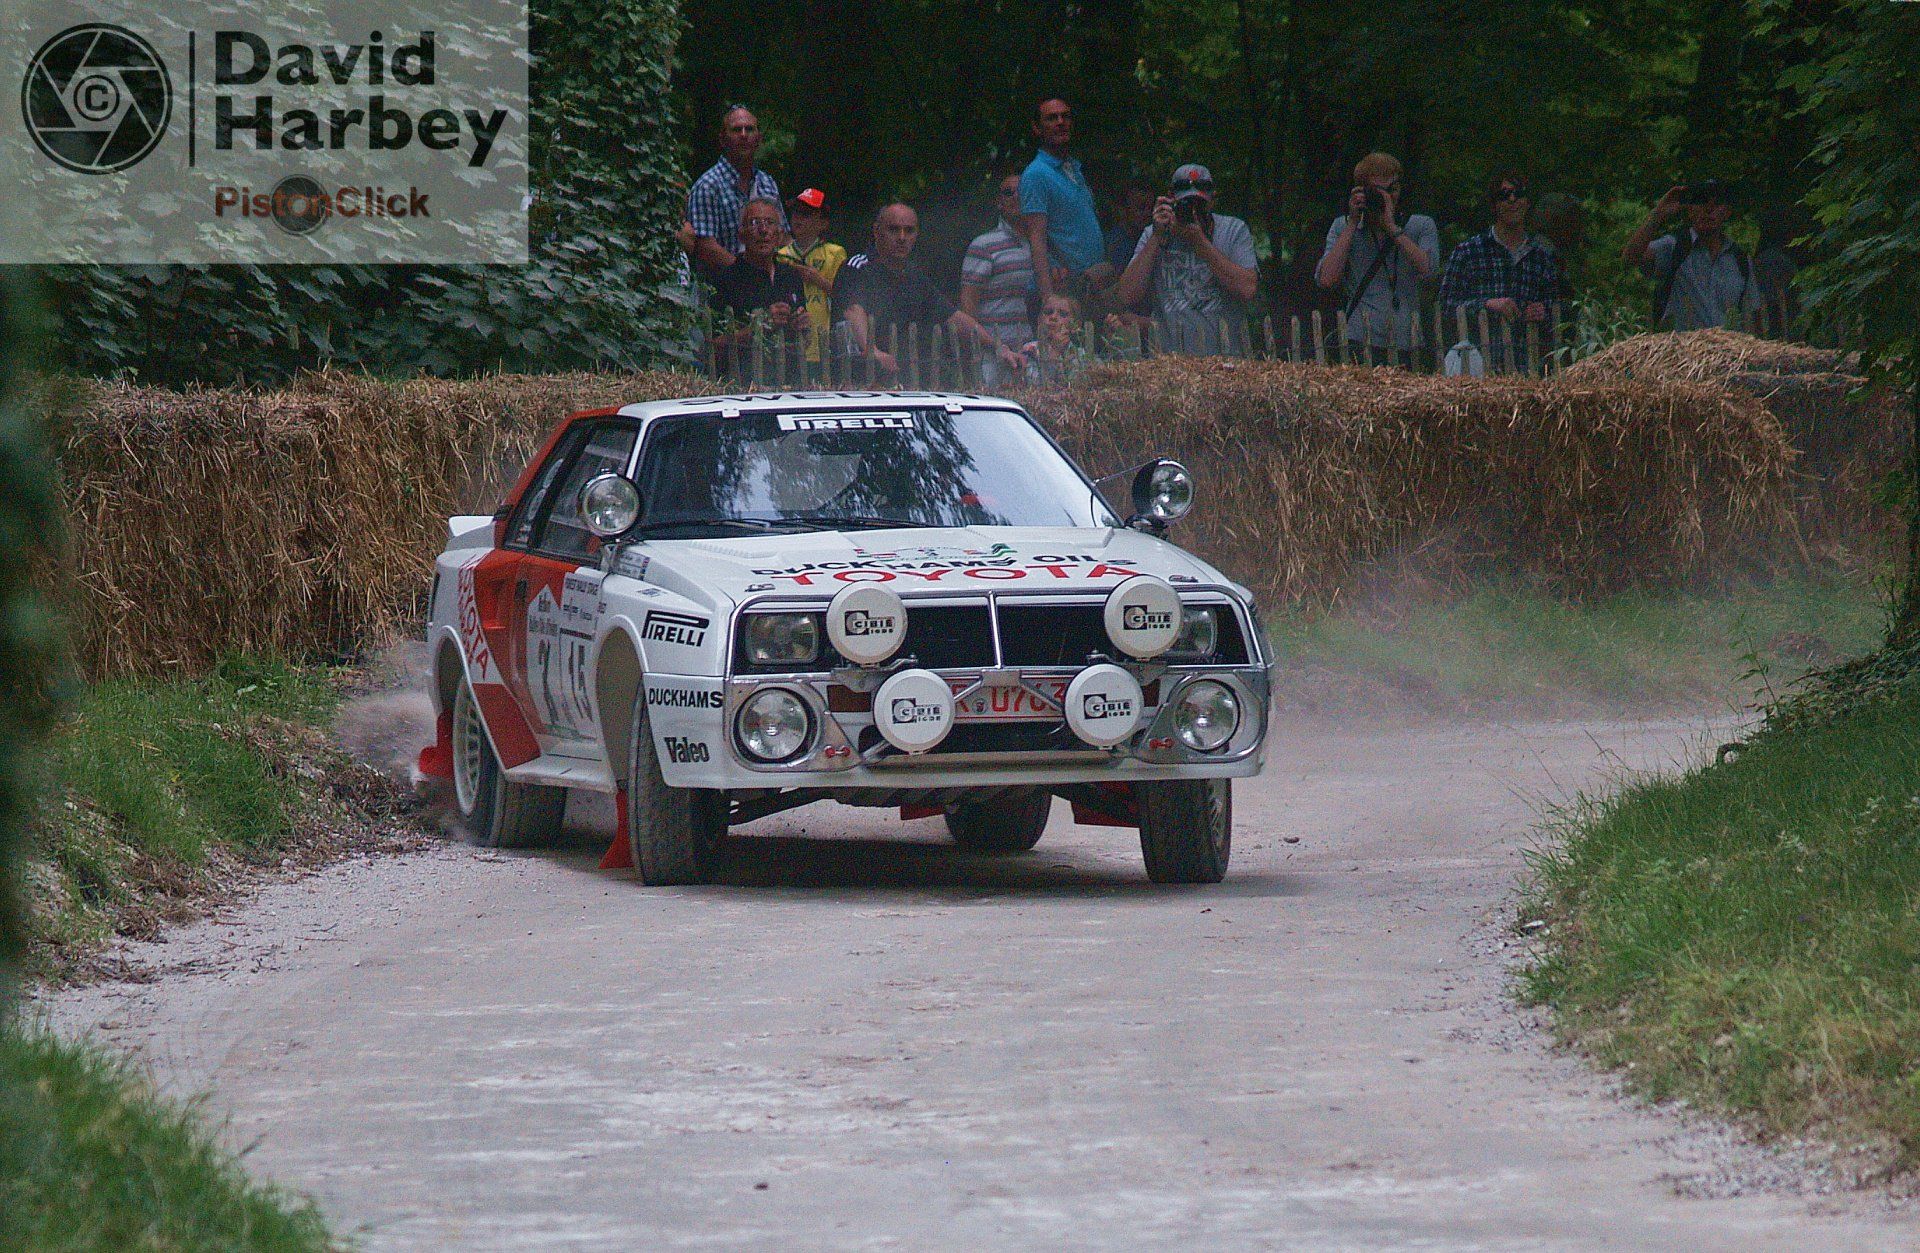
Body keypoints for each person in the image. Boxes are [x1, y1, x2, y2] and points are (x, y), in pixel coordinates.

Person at [833, 203, 1026, 381]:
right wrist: (871, 350)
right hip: (858, 378)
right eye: (894, 229)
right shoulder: (858, 267)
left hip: (906, 378)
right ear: (877, 231)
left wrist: (997, 347)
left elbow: (953, 317)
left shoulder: (914, 276)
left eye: (909, 231)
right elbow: (853, 310)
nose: (902, 237)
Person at [1110, 163, 1259, 355]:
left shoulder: (1233, 230)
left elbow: (1248, 289)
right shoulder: (1153, 234)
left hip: (1225, 360)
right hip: (1170, 361)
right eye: (1186, 204)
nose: (1193, 212)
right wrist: (1156, 237)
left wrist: (1200, 242)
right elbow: (1126, 296)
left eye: (1199, 204)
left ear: (1212, 199)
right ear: (1171, 199)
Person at [1314, 152, 1438, 356]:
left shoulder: (1420, 225)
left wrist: (1391, 227)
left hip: (1408, 341)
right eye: (1377, 191)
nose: (1386, 198)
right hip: (1359, 339)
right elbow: (1326, 280)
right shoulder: (1343, 227)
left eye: (1391, 190)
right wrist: (1353, 223)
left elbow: (1429, 271)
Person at [1437, 173, 1564, 371]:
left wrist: (1541, 311)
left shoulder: (1541, 257)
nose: (1512, 200)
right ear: (1494, 204)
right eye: (1504, 195)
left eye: (1518, 193)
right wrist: (1486, 304)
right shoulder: (1468, 252)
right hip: (1476, 368)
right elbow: (1446, 306)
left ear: (1527, 201)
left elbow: (1556, 311)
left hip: (1527, 369)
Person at [1621, 178, 1758, 331]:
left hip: (1729, 352)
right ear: (1689, 210)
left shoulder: (1741, 261)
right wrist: (1658, 215)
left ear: (1727, 212)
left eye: (1717, 203)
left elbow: (1751, 317)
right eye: (1701, 201)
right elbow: (1630, 258)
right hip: (1681, 352)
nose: (1709, 208)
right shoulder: (1674, 248)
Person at [1019, 97, 1112, 301]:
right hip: (1063, 291)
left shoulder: (1074, 169)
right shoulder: (1036, 174)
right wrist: (1048, 300)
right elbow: (1036, 239)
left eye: (1065, 116)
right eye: (1052, 118)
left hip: (1091, 285)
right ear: (1037, 128)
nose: (1060, 122)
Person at [707, 198, 807, 375]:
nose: (763, 231)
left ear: (780, 235)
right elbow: (710, 347)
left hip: (789, 385)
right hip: (741, 387)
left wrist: (800, 326)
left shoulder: (791, 276)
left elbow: (802, 341)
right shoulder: (724, 279)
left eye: (769, 223)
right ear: (742, 235)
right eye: (754, 223)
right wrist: (758, 328)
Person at [686, 105, 785, 274]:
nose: (744, 135)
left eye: (750, 129)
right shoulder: (708, 186)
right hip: (720, 289)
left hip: (767, 287)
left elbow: (783, 236)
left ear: (759, 138)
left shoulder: (767, 183)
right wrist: (747, 276)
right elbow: (705, 247)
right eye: (737, 130)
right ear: (723, 139)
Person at [960, 170, 1036, 379]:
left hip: (1030, 351)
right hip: (993, 355)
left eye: (1023, 191)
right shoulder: (984, 245)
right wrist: (990, 346)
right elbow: (968, 306)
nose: (1017, 197)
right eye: (1009, 192)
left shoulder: (1040, 245)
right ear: (999, 202)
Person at [775, 188, 847, 373]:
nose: (798, 218)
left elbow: (844, 296)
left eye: (806, 214)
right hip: (791, 342)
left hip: (825, 340)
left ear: (823, 222)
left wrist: (818, 279)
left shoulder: (835, 253)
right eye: (796, 212)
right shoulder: (781, 255)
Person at [1020, 294, 1089, 385]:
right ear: (1039, 319)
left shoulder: (1080, 355)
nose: (1053, 317)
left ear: (1076, 324)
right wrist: (1054, 352)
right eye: (1048, 312)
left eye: (1063, 314)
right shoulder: (1030, 350)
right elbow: (1035, 385)